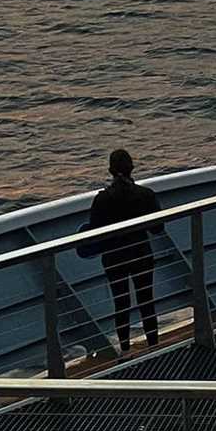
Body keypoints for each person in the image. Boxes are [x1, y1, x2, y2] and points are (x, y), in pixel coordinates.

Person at [76, 148, 163, 354]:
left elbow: (95, 232)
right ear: (132, 168)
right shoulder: (146, 195)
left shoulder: (102, 199)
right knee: (146, 301)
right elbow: (158, 228)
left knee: (121, 304)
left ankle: (124, 350)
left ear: (110, 170)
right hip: (141, 253)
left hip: (114, 258)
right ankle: (154, 346)